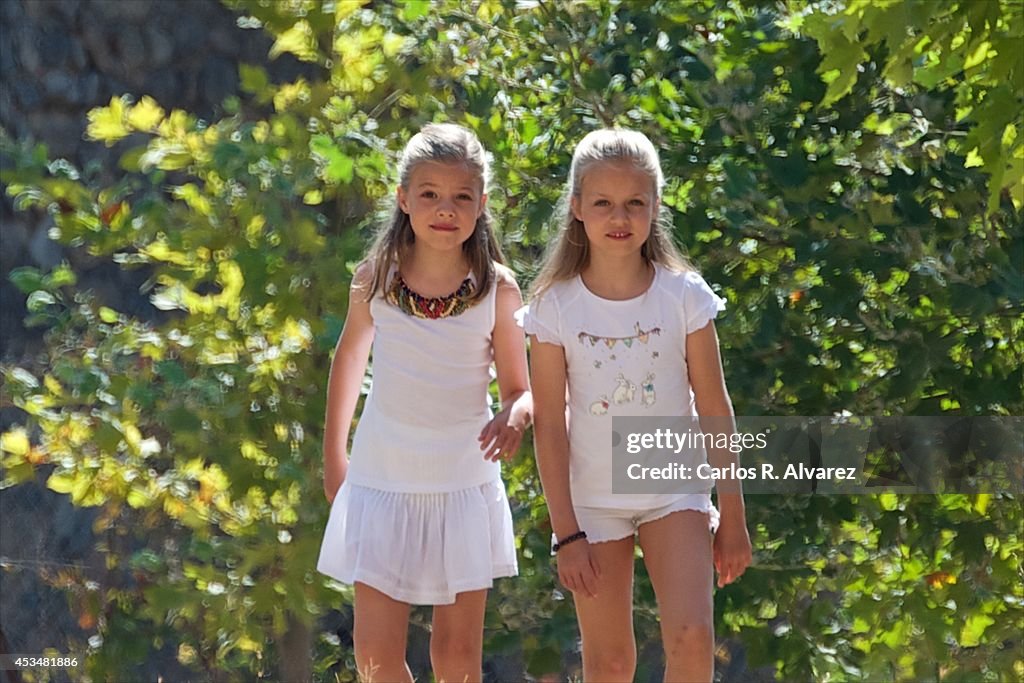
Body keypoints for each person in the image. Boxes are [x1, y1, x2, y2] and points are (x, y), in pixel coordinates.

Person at [522, 129, 752, 682]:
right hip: (593, 504)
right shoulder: (553, 309)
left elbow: (715, 406)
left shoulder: (684, 296)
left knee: (693, 639)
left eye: (634, 203)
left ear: (655, 206)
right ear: (577, 208)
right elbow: (549, 427)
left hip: (675, 489)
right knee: (611, 663)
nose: (618, 216)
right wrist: (567, 534)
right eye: (602, 202)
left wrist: (735, 516)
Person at [317, 123, 532, 682]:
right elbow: (348, 362)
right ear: (404, 199)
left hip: (462, 486)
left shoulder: (498, 289)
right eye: (430, 194)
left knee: (456, 659)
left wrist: (515, 413)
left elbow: (520, 387)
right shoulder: (376, 279)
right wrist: (334, 458)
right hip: (381, 481)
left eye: (462, 197)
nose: (445, 209)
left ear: (481, 205)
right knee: (375, 658)